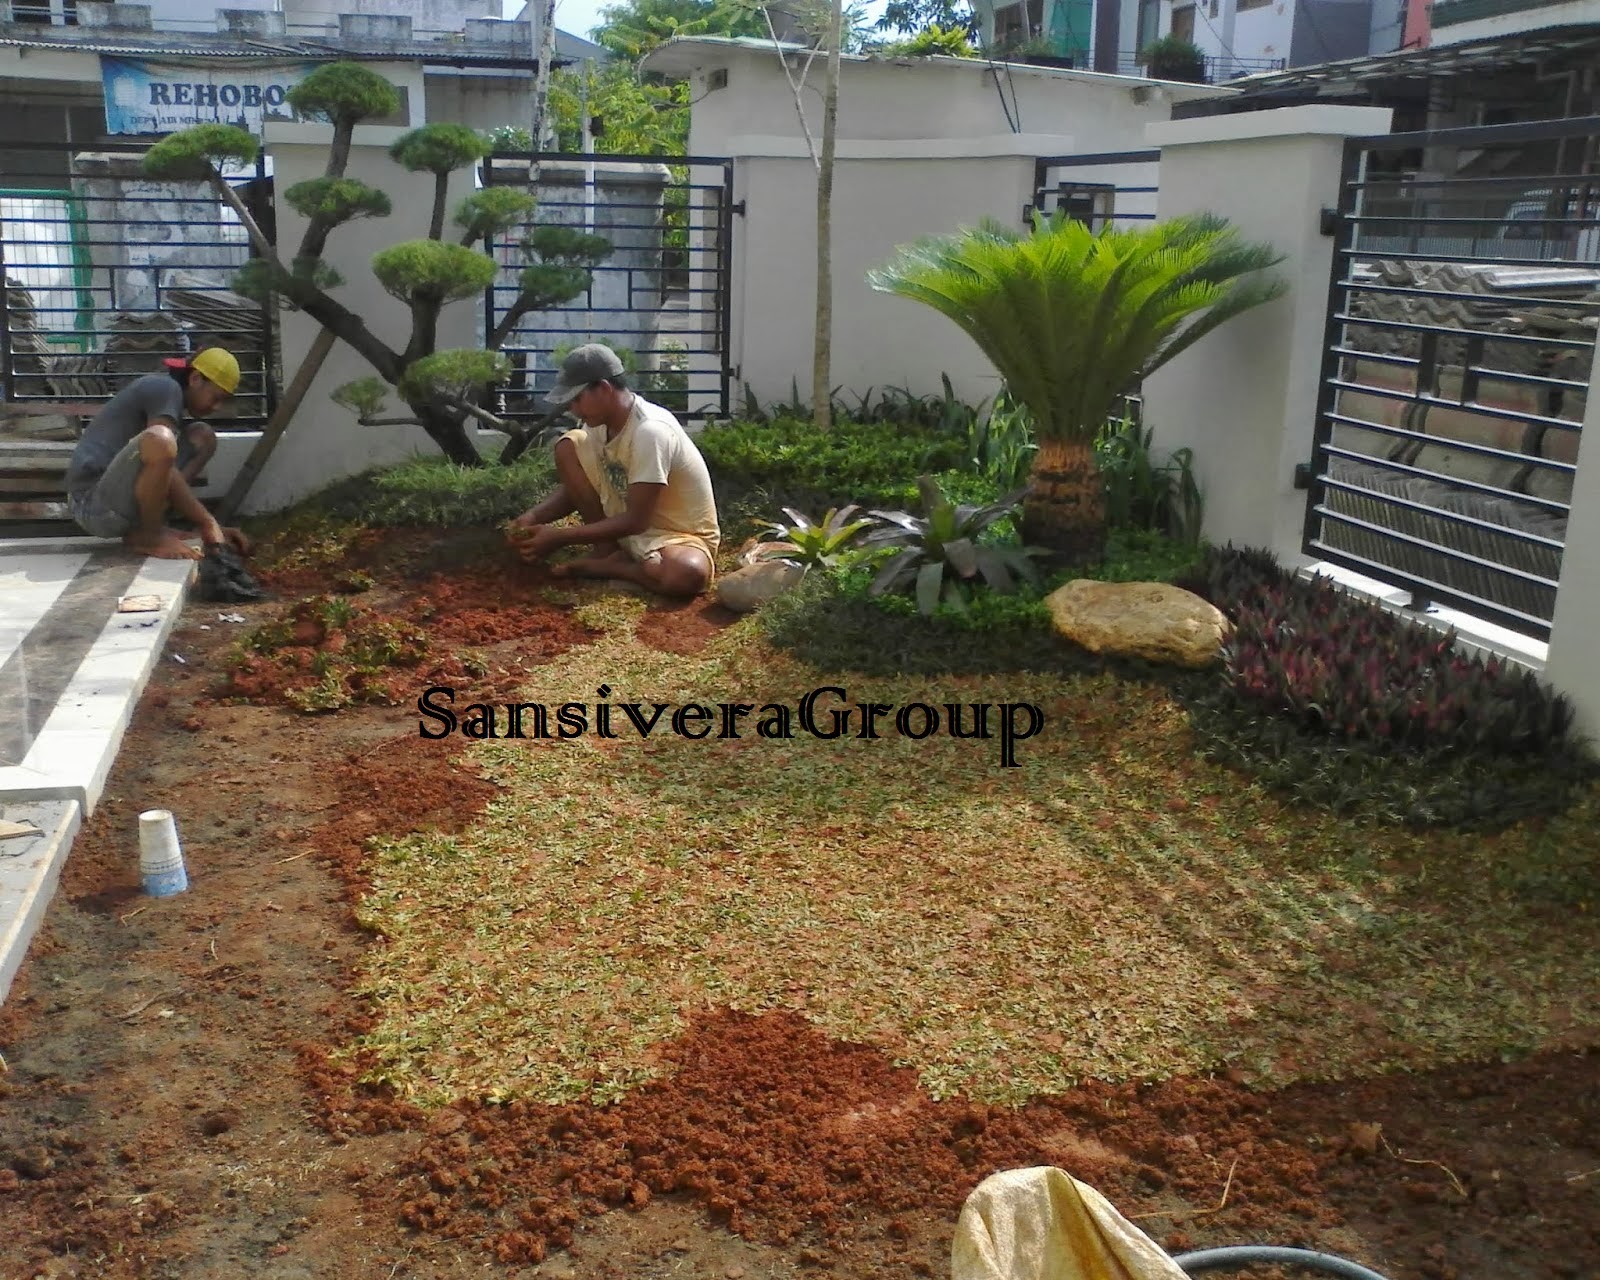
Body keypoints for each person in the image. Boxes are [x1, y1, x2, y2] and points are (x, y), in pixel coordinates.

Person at [507, 344, 720, 597]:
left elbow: (637, 520)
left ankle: (612, 568)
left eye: (577, 398)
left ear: (605, 389)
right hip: (624, 530)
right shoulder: (598, 425)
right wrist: (533, 517)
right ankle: (607, 551)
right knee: (569, 445)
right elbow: (581, 485)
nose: (572, 408)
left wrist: (559, 537)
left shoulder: (650, 432)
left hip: (674, 538)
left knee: (686, 574)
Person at [64, 346, 250, 561]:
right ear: (196, 378)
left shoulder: (173, 399)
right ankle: (149, 535)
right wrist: (207, 522)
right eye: (216, 397)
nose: (217, 407)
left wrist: (210, 527)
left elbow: (165, 472)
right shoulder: (165, 388)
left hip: (117, 501)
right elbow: (161, 455)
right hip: (93, 506)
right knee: (160, 439)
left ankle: (151, 527)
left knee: (203, 437)